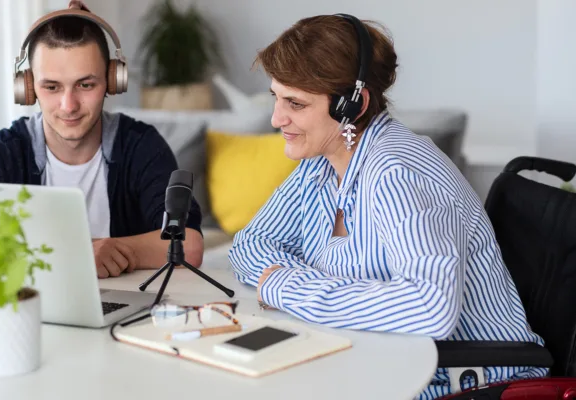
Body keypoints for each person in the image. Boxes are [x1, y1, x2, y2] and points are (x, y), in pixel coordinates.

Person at [227, 14, 546, 399]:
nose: (277, 118)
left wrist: (284, 285)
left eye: (295, 103)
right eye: (275, 97)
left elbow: (431, 307)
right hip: (380, 361)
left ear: (352, 105)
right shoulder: (320, 163)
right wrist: (312, 291)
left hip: (464, 381)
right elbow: (249, 245)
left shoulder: (397, 172)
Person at [0, 1, 204, 279]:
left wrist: (113, 250)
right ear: (28, 88)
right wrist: (79, 252)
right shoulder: (3, 153)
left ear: (113, 81)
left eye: (85, 85)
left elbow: (190, 244)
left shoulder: (142, 145)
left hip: (127, 309)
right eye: (51, 87)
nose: (69, 105)